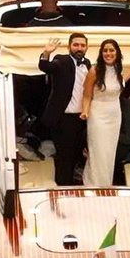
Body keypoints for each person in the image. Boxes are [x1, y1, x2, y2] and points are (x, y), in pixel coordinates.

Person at [39, 34, 91, 184]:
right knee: (64, 156)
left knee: (76, 153)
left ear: (86, 47)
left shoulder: (88, 64)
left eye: (82, 45)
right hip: (63, 118)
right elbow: (46, 67)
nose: (79, 48)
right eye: (76, 45)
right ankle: (63, 186)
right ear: (69, 47)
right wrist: (46, 53)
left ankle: (72, 181)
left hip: (81, 118)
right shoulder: (61, 61)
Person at [81, 39, 127, 190]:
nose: (108, 53)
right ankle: (94, 184)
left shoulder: (119, 69)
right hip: (98, 114)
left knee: (109, 151)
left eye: (111, 50)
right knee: (98, 150)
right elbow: (87, 94)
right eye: (105, 50)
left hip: (114, 114)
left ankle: (107, 184)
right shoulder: (94, 71)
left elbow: (124, 80)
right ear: (101, 53)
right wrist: (85, 111)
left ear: (117, 53)